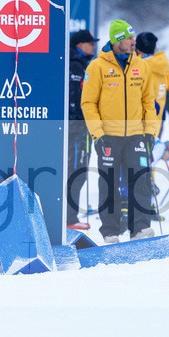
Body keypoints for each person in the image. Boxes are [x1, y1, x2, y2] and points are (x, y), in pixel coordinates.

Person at [81, 19, 158, 244]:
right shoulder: (97, 67)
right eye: (129, 38)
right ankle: (110, 231)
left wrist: (150, 132)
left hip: (136, 134)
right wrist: (97, 133)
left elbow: (148, 102)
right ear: (117, 41)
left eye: (133, 38)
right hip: (109, 135)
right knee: (109, 184)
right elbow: (88, 103)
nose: (134, 42)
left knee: (141, 181)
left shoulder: (142, 66)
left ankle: (140, 228)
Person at [67, 29, 97, 230]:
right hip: (77, 127)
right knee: (76, 170)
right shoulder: (76, 65)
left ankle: (70, 215)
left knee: (78, 170)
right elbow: (75, 99)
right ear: (80, 45)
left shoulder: (81, 64)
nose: (93, 46)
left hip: (78, 126)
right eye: (90, 43)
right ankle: (69, 217)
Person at [135, 32, 169, 132]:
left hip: (141, 116)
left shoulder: (136, 66)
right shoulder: (162, 64)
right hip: (160, 113)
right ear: (154, 48)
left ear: (138, 49)